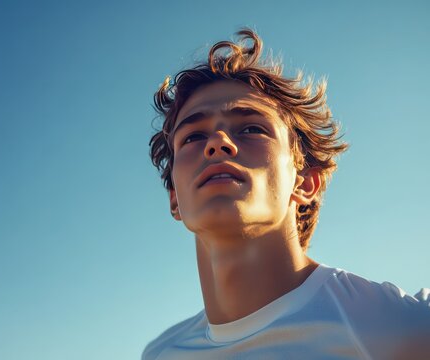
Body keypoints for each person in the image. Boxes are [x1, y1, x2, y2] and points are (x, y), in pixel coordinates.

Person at [143, 29, 430, 360]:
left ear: (306, 181)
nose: (217, 141)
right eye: (192, 137)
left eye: (252, 128)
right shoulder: (162, 353)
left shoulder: (396, 327)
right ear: (174, 198)